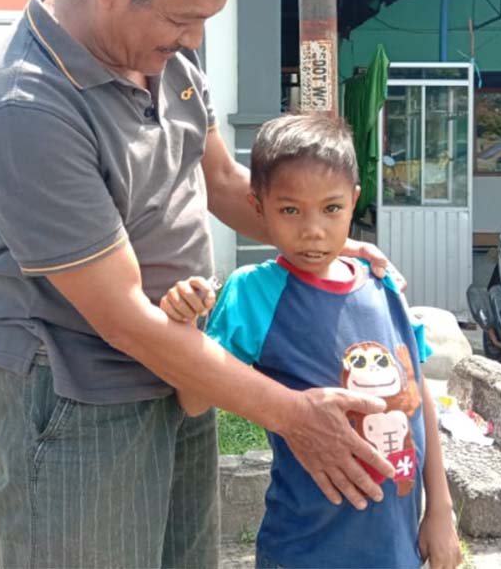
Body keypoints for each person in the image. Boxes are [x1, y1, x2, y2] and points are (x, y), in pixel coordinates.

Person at [0, 0, 402, 568]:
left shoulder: (166, 59)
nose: (194, 40)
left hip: (185, 372)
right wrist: (292, 415)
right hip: (81, 393)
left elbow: (227, 184)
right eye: (182, 18)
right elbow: (124, 315)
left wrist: (320, 242)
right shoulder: (26, 107)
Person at [161, 113, 463, 569]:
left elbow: (418, 394)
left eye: (331, 208)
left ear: (354, 202)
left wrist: (439, 510)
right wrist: (184, 325)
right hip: (306, 549)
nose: (313, 230)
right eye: (290, 210)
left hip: (395, 549)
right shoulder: (254, 292)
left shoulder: (383, 285)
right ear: (257, 207)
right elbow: (194, 400)